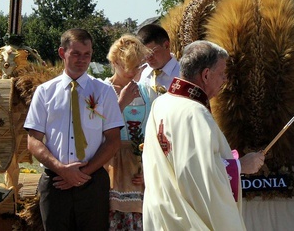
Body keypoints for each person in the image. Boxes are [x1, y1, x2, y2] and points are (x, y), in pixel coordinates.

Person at [142, 40, 265, 230]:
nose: (224, 80)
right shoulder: (194, 113)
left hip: (163, 215)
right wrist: (241, 165)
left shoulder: (161, 103)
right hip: (187, 220)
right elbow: (199, 173)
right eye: (222, 74)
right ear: (206, 75)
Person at [25, 29, 124, 230]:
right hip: (55, 182)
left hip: (92, 181)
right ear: (62, 53)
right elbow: (33, 141)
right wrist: (61, 169)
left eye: (87, 54)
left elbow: (113, 140)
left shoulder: (104, 92)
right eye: (76, 53)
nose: (82, 59)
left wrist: (82, 173)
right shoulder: (45, 92)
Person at [103, 35, 154, 231]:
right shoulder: (101, 90)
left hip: (139, 166)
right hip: (110, 163)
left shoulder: (149, 92)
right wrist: (121, 103)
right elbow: (94, 131)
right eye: (130, 66)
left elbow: (156, 135)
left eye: (139, 66)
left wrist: (150, 169)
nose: (135, 72)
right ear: (115, 62)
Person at [137, 24, 180, 95]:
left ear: (166, 45)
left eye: (151, 52)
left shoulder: (182, 75)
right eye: (144, 53)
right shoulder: (143, 74)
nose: (148, 58)